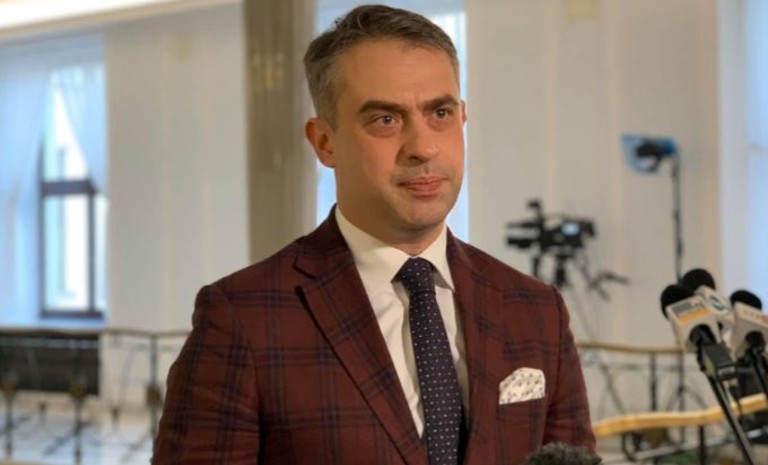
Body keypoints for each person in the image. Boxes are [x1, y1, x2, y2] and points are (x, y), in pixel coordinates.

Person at [153, 4, 595, 464]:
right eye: (386, 119)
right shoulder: (242, 319)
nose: (423, 147)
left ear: (462, 119)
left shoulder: (536, 310)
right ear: (325, 142)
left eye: (440, 112)